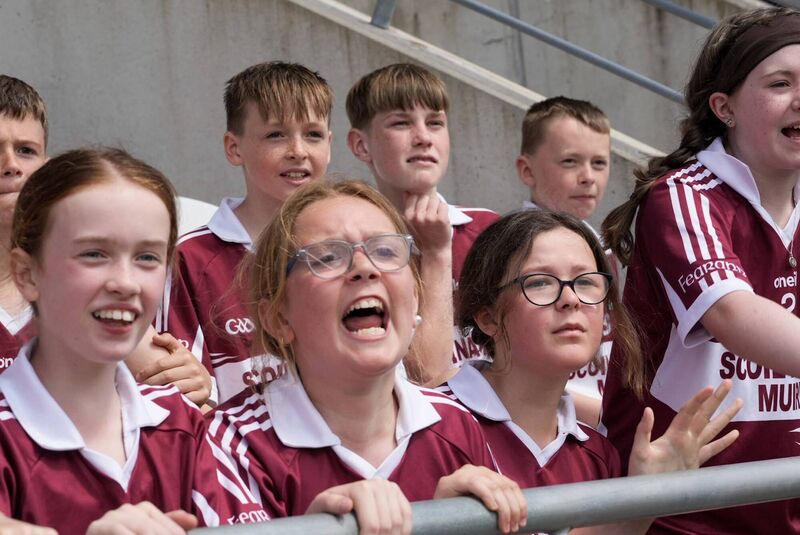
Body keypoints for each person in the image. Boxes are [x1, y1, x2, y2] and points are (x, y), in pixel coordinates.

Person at [208, 180, 528, 534]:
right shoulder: (234, 442)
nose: (365, 268)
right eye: (327, 256)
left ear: (415, 299)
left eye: (387, 251)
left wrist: (458, 527)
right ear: (278, 318)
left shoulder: (454, 423)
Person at [601, 6, 800, 533]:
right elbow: (732, 315)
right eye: (780, 83)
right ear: (725, 107)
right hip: (683, 518)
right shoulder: (682, 198)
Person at [0, 148, 266, 533]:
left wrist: (332, 516)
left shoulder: (181, 421)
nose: (124, 283)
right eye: (93, 254)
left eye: (147, 257)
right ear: (26, 273)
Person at [441, 209, 741, 533]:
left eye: (585, 281)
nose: (571, 299)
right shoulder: (429, 424)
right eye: (540, 282)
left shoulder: (600, 455)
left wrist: (650, 500)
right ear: (487, 316)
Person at [156, 61, 333, 405]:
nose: (298, 150)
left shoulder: (352, 246)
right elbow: (184, 392)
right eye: (275, 135)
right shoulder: (190, 259)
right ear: (234, 148)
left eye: (312, 134)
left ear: (330, 144)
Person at [346, 63, 498, 379]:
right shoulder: (350, 247)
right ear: (361, 145)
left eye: (435, 123)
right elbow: (426, 375)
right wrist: (436, 252)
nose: (423, 138)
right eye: (401, 124)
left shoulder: (490, 231)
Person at [516, 96, 613, 425]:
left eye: (599, 163)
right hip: (553, 430)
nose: (588, 177)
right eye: (570, 162)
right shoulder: (511, 253)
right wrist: (610, 415)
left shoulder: (610, 250)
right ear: (526, 170)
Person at [0, 75, 47, 372]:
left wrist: (193, 382)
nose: (11, 165)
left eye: (26, 150)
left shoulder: (81, 279)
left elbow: (160, 375)